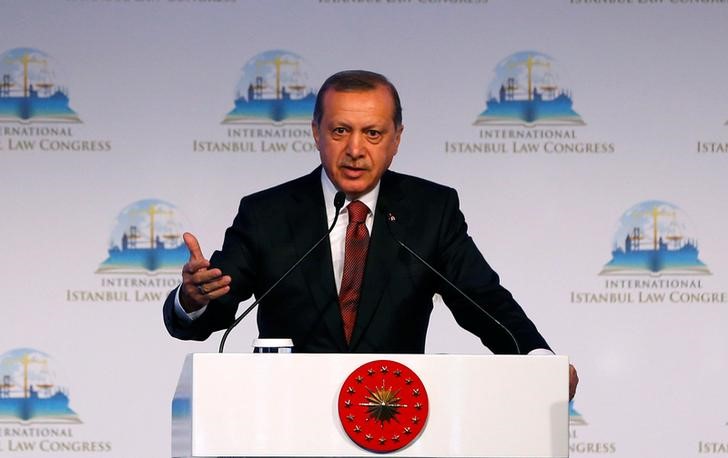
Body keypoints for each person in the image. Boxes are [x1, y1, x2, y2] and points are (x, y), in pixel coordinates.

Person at [163, 70, 578, 399]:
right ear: (316, 133)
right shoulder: (266, 214)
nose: (356, 149)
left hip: (394, 422)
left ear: (396, 139)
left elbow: (483, 302)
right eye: (340, 131)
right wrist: (193, 301)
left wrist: (537, 359)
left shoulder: (431, 211)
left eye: (373, 134)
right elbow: (211, 311)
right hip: (289, 419)